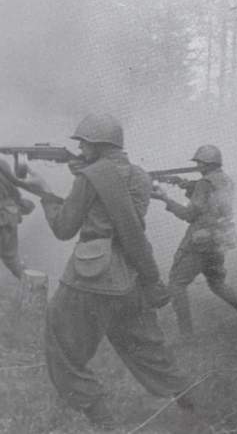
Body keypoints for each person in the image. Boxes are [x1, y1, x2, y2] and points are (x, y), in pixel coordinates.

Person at [24, 114, 192, 430]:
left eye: (84, 143)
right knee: (149, 350)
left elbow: (63, 228)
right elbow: (120, 206)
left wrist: (45, 192)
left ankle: (103, 421)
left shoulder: (91, 177)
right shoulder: (140, 176)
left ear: (98, 144)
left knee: (61, 347)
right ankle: (193, 402)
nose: (81, 148)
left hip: (90, 277)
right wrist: (83, 172)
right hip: (132, 276)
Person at [152, 145, 237, 337]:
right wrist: (184, 184)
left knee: (176, 284)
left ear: (207, 163)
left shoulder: (204, 184)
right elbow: (211, 199)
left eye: (199, 163)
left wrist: (165, 198)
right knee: (217, 283)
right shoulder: (225, 180)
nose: (197, 166)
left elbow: (189, 214)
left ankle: (187, 336)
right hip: (219, 240)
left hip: (199, 243)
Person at [0, 158, 34, 279]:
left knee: (12, 258)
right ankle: (32, 284)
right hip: (9, 215)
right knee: (12, 258)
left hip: (4, 217)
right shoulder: (2, 163)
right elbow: (15, 190)